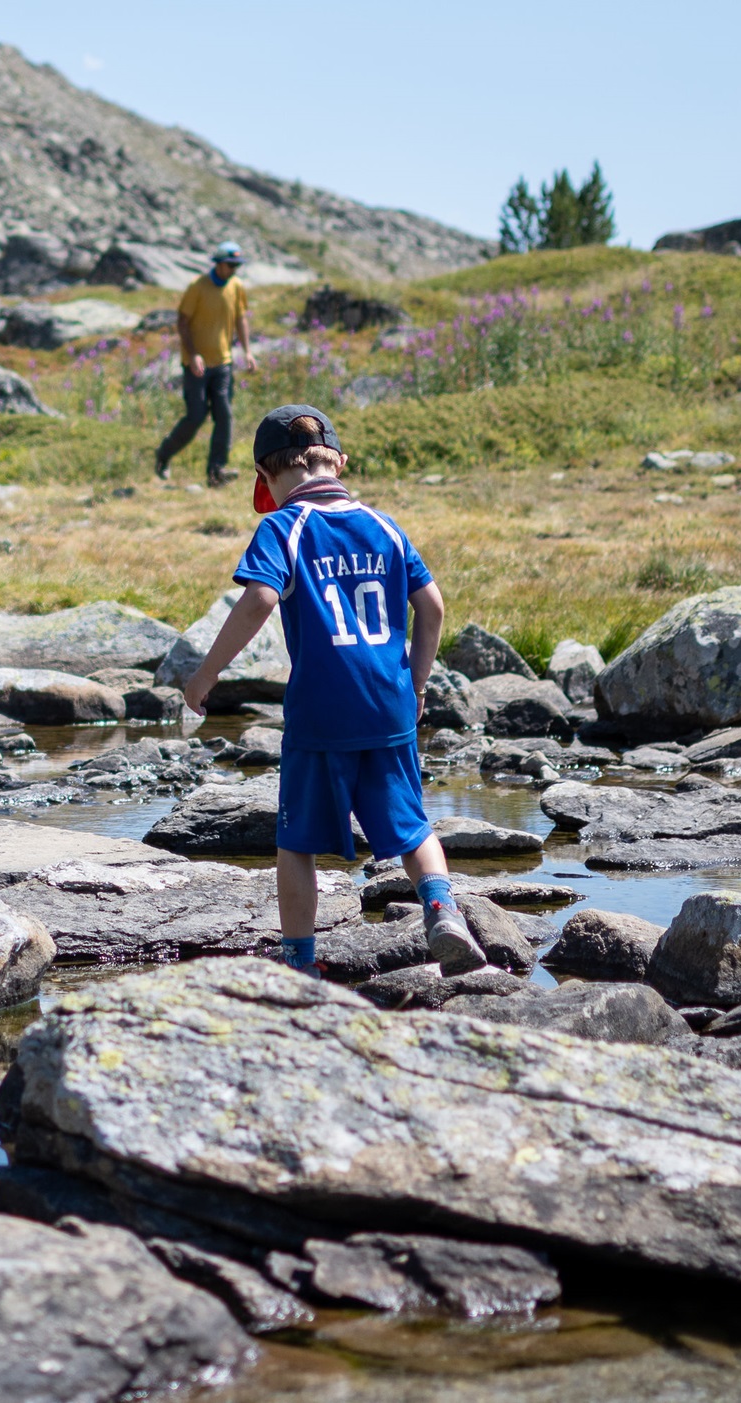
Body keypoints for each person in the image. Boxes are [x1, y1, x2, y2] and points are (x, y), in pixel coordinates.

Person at [179, 404, 483, 978]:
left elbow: (261, 598)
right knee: (412, 826)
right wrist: (416, 684)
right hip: (389, 703)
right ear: (339, 463)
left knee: (297, 842)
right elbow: (433, 607)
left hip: (321, 711)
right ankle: (442, 909)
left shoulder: (282, 527)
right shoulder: (385, 526)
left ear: (265, 477)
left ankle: (301, 963)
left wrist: (206, 674)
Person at [153, 242, 256, 487]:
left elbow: (241, 319)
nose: (233, 270)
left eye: (236, 266)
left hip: (223, 363)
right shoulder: (197, 286)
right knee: (196, 416)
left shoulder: (236, 287)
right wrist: (193, 354)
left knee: (224, 415)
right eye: (230, 265)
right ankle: (164, 454)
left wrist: (247, 351)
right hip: (196, 366)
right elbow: (182, 322)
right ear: (218, 263)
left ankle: (216, 472)